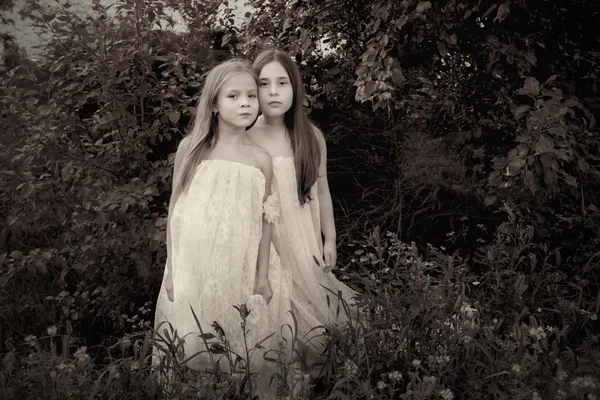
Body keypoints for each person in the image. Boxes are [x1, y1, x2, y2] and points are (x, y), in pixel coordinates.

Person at [153, 59, 284, 395]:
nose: (245, 103)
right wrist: (171, 270)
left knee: (237, 345)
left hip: (239, 266)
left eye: (251, 96)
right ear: (213, 104)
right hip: (195, 265)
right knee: (192, 338)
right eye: (234, 96)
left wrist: (262, 276)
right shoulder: (193, 150)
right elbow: (176, 212)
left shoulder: (260, 159)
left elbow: (266, 219)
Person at [248, 49, 360, 375]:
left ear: (295, 88)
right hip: (265, 240)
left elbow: (322, 191)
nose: (273, 92)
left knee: (317, 300)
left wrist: (330, 238)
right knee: (277, 305)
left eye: (282, 83)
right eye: (264, 83)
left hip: (301, 236)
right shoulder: (246, 136)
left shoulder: (310, 137)